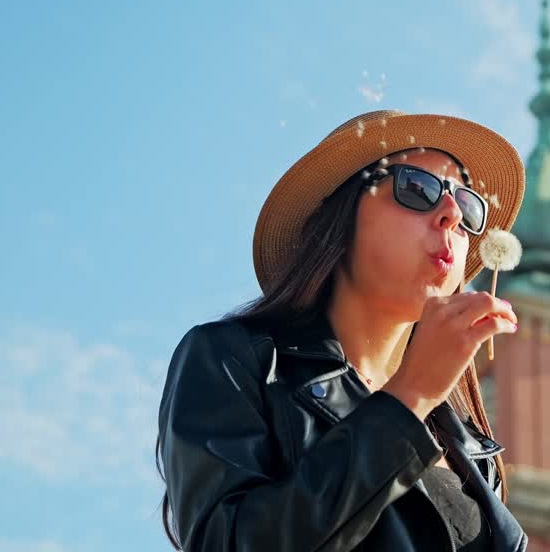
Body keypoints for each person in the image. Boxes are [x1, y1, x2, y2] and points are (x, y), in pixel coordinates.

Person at [156, 109, 530, 551]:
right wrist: (409, 398)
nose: (451, 211)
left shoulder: (471, 449)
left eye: (467, 204)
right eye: (416, 188)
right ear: (339, 216)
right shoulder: (235, 360)